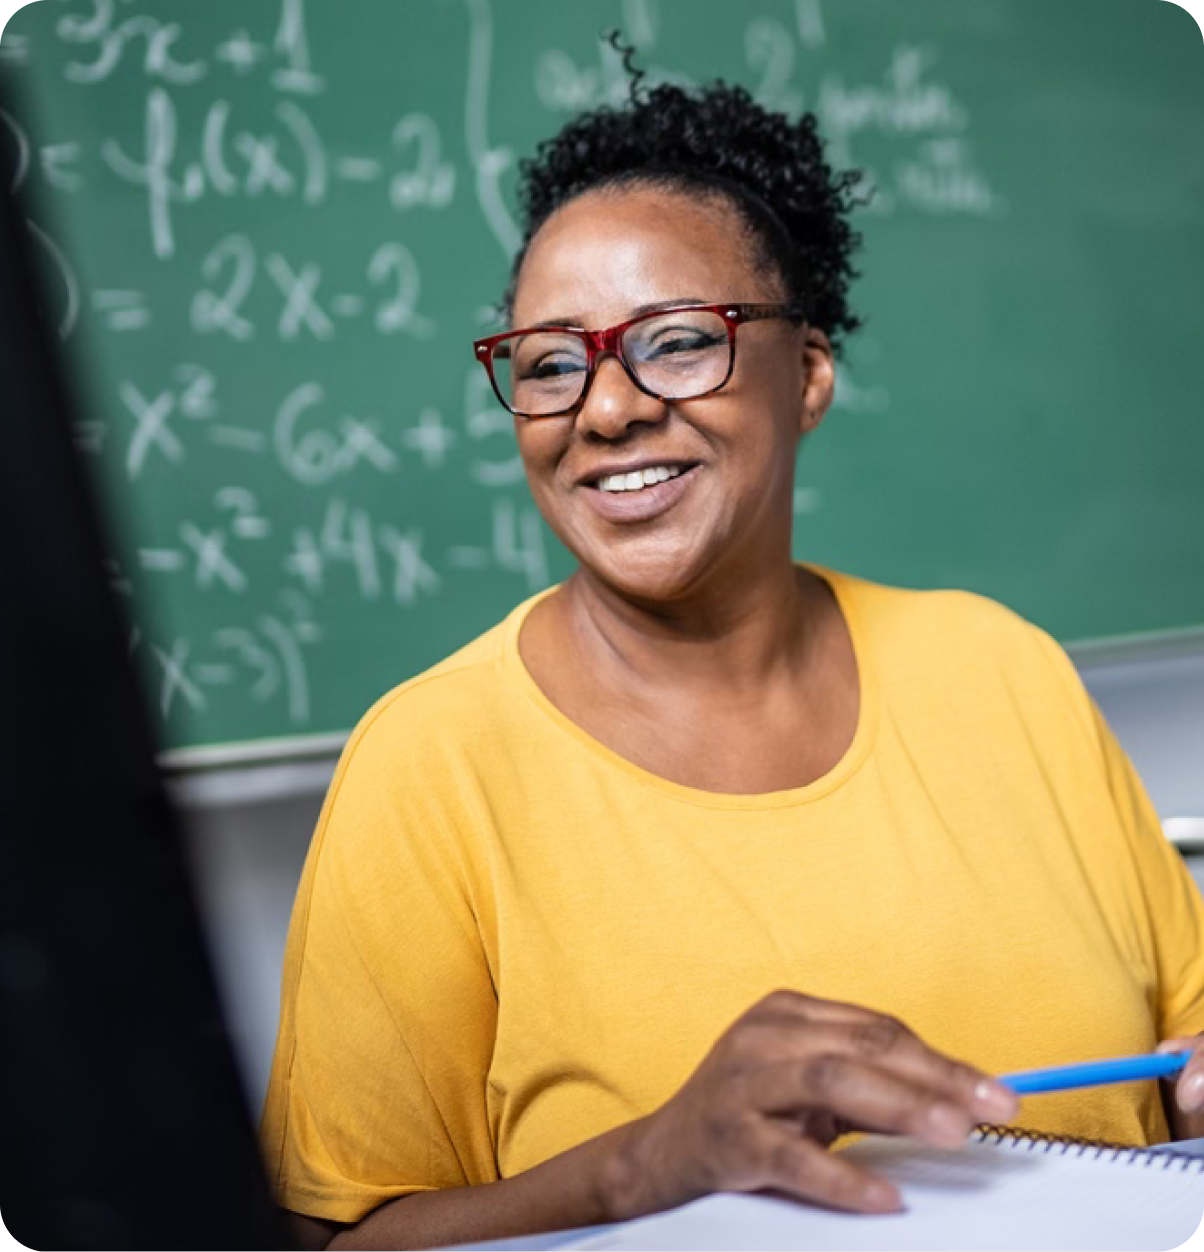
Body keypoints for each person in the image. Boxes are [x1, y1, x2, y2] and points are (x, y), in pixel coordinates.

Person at [261, 68, 1204, 1249]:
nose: (604, 409)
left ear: (805, 373)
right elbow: (337, 1239)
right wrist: (644, 1165)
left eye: (672, 342)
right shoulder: (430, 763)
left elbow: (1178, 1063)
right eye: (552, 362)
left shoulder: (999, 666)